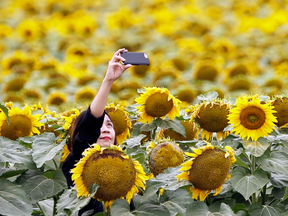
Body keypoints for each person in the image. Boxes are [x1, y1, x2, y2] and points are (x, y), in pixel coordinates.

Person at [62, 48, 133, 215]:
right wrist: (108, 81)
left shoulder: (125, 165)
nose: (104, 129)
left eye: (109, 125)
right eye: (99, 125)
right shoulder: (77, 161)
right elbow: (90, 124)